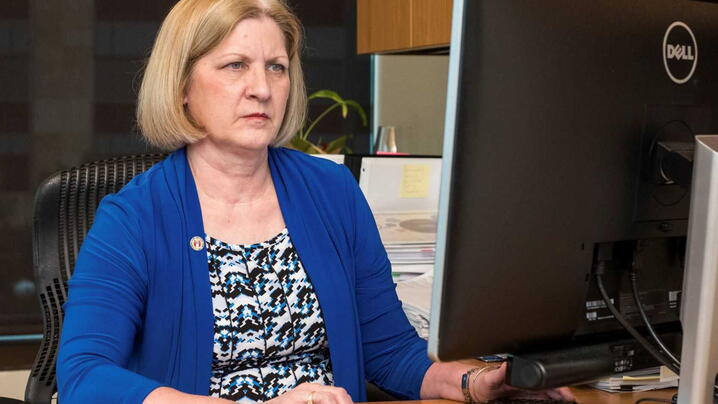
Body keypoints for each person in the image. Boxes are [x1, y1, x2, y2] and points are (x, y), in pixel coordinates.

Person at [56, 0, 576, 403]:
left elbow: (391, 353)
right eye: (235, 66)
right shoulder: (133, 218)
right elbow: (82, 377)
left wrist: (475, 383)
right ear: (183, 87)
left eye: (276, 67)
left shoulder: (331, 191)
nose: (261, 88)